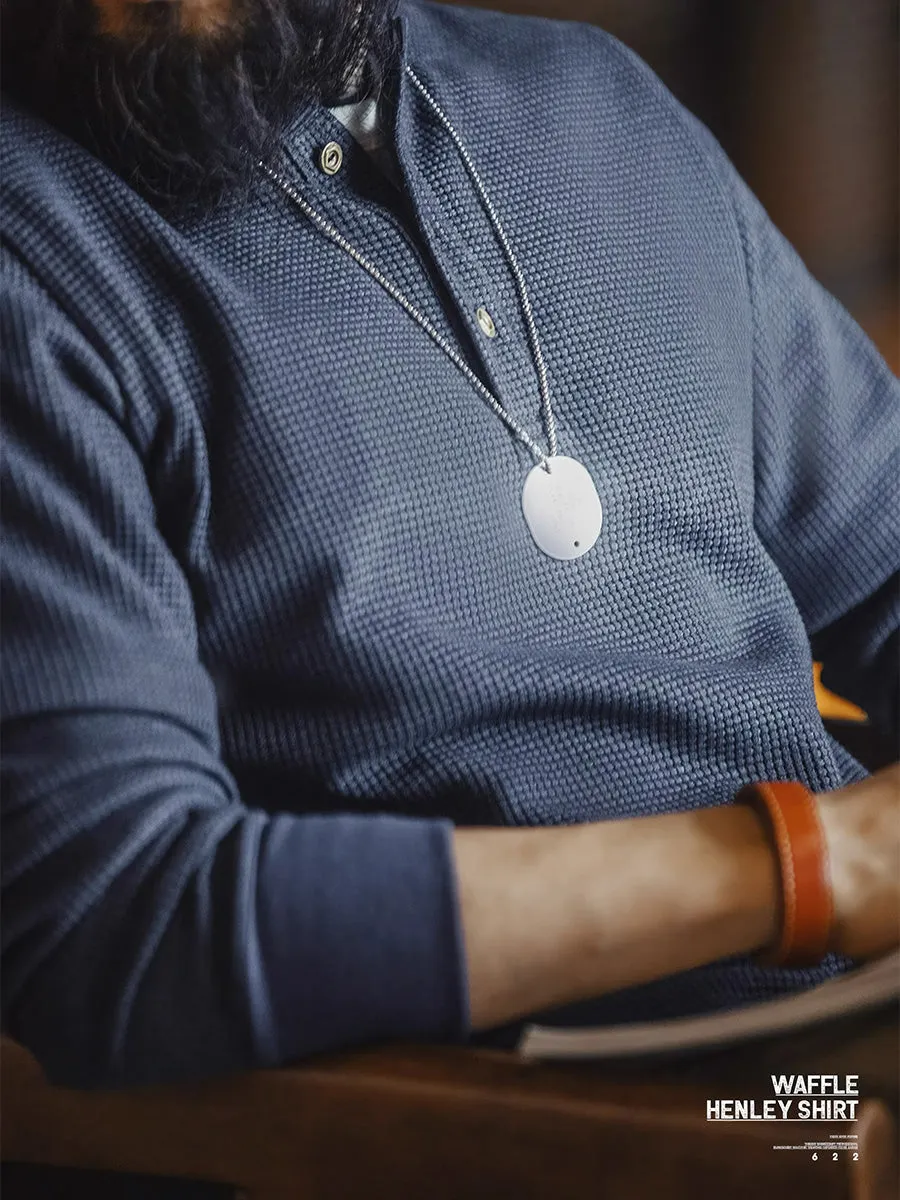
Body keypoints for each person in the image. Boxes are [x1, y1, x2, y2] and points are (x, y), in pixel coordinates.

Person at [1, 0, 898, 1091]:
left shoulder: (594, 98)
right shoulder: (32, 249)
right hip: (599, 1128)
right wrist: (807, 865)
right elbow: (120, 925)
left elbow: (884, 570)